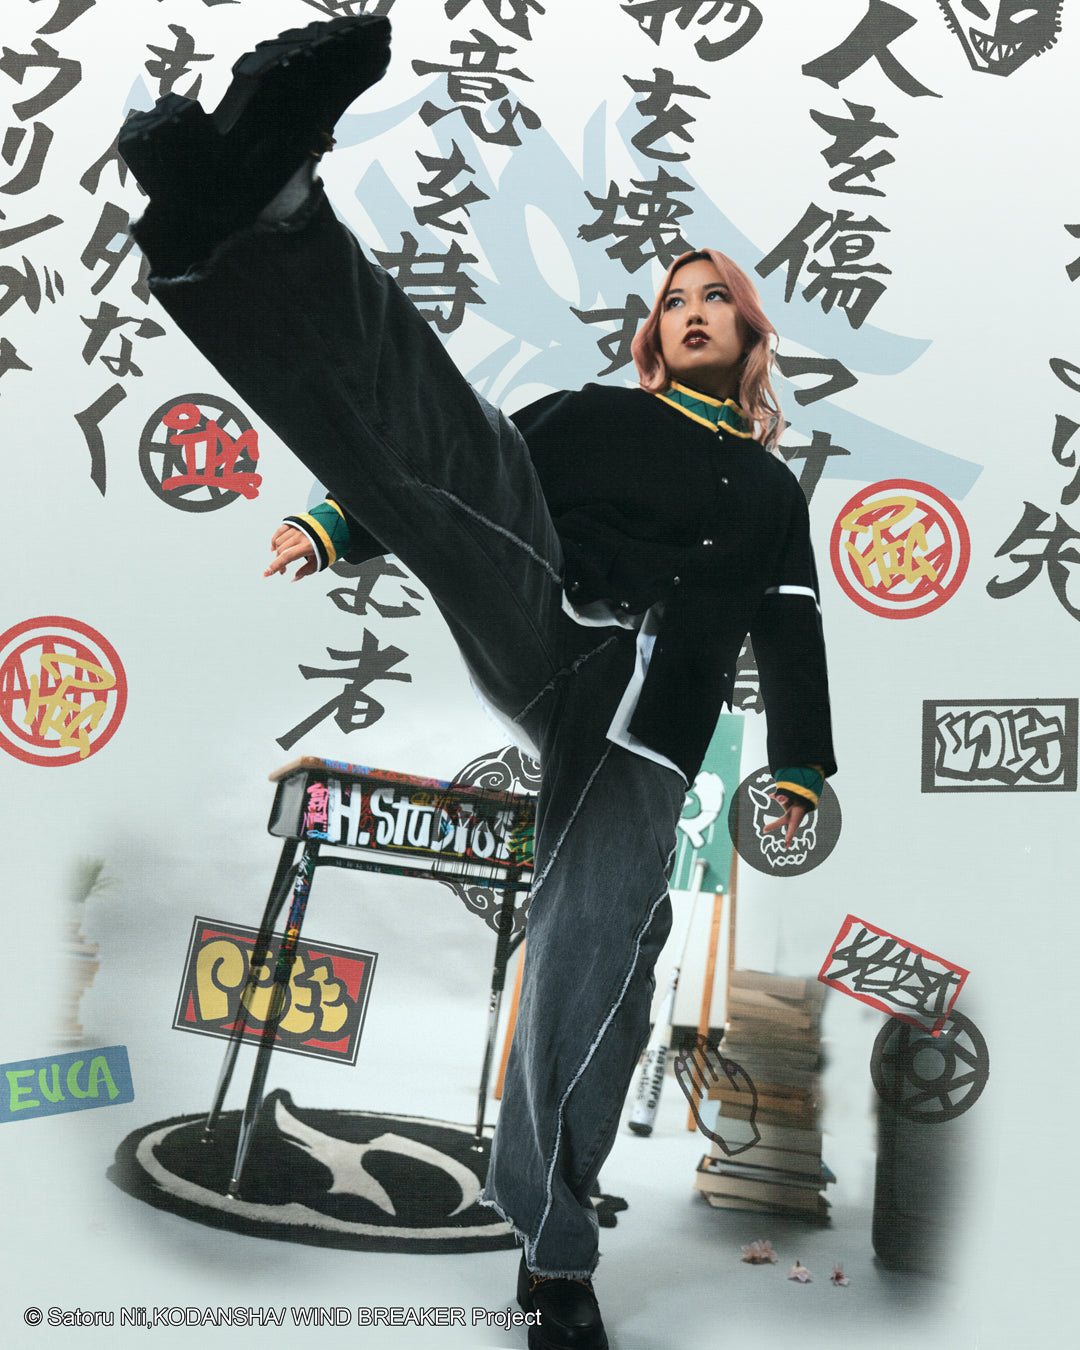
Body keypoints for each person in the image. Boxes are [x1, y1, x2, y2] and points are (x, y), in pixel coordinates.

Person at [119, 16, 835, 1350]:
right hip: (547, 618)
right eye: (673, 298)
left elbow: (792, 631)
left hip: (650, 725)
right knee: (477, 458)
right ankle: (275, 207)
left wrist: (800, 766)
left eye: (714, 298)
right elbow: (456, 453)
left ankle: (555, 1253)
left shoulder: (771, 489)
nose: (690, 309)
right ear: (655, 333)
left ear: (749, 334)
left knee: (597, 958)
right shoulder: (597, 413)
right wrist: (338, 524)